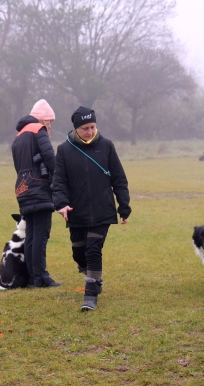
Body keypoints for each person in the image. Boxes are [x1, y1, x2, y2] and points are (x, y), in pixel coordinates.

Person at [52, 107, 131, 312]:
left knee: (93, 250)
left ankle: (90, 295)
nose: (90, 131)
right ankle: (94, 279)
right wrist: (61, 204)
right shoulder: (64, 150)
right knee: (79, 254)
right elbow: (58, 182)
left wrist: (124, 206)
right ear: (76, 129)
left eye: (93, 127)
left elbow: (119, 179)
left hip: (102, 210)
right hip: (76, 211)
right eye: (85, 128)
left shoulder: (106, 146)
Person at [11, 99, 60, 288]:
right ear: (42, 118)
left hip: (22, 186)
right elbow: (49, 156)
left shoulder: (19, 135)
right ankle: (40, 277)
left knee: (31, 233)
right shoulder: (38, 130)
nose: (50, 125)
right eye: (49, 121)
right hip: (39, 186)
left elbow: (18, 165)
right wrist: (57, 179)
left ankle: (35, 277)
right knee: (41, 233)